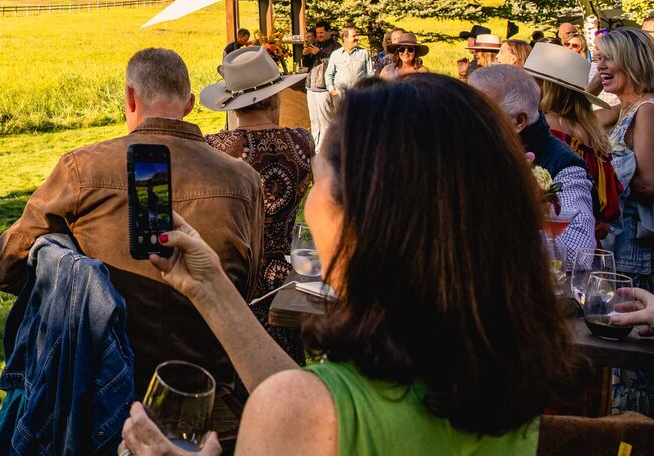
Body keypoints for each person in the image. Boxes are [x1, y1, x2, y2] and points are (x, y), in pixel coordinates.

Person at [119, 75, 578, 456]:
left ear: (363, 216)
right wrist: (210, 288)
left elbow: (303, 410)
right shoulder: (499, 371)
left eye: (317, 181)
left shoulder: (298, 414)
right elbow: (315, 403)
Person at [0, 48, 263, 449]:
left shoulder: (82, 169)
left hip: (102, 394)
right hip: (206, 399)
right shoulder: (244, 180)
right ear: (189, 105)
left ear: (130, 99)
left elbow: (7, 269)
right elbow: (247, 286)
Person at [200, 47, 312, 363]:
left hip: (234, 279)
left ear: (234, 104)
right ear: (275, 96)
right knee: (286, 367)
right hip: (284, 281)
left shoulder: (214, 147)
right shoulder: (303, 140)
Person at [592, 27, 654, 421]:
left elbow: (652, 182)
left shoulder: (649, 110)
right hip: (623, 244)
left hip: (639, 249)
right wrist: (595, 79)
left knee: (634, 354)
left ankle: (640, 433)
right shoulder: (626, 107)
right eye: (597, 56)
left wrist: (607, 177)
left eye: (608, 57)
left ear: (631, 60)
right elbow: (578, 118)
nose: (600, 64)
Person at [469, 65, 596, 266]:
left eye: (480, 111)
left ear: (519, 121)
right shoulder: (473, 149)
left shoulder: (563, 165)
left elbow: (578, 253)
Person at [523, 43, 622, 245]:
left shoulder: (548, 129)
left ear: (545, 87)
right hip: (590, 231)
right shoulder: (590, 129)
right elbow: (610, 199)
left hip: (561, 235)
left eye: (531, 82)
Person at [301, 22, 338, 148]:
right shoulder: (315, 44)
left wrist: (319, 53)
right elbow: (307, 64)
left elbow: (334, 65)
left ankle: (326, 148)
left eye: (322, 33)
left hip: (323, 87)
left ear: (328, 32)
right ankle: (315, 147)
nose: (319, 35)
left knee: (324, 121)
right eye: (318, 33)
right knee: (314, 120)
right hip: (310, 85)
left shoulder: (336, 46)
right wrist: (305, 55)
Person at [324, 26, 373, 102]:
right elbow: (329, 74)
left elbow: (370, 74)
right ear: (345, 38)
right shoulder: (336, 54)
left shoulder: (364, 53)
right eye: (354, 36)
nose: (357, 38)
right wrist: (332, 90)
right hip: (340, 97)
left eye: (356, 35)